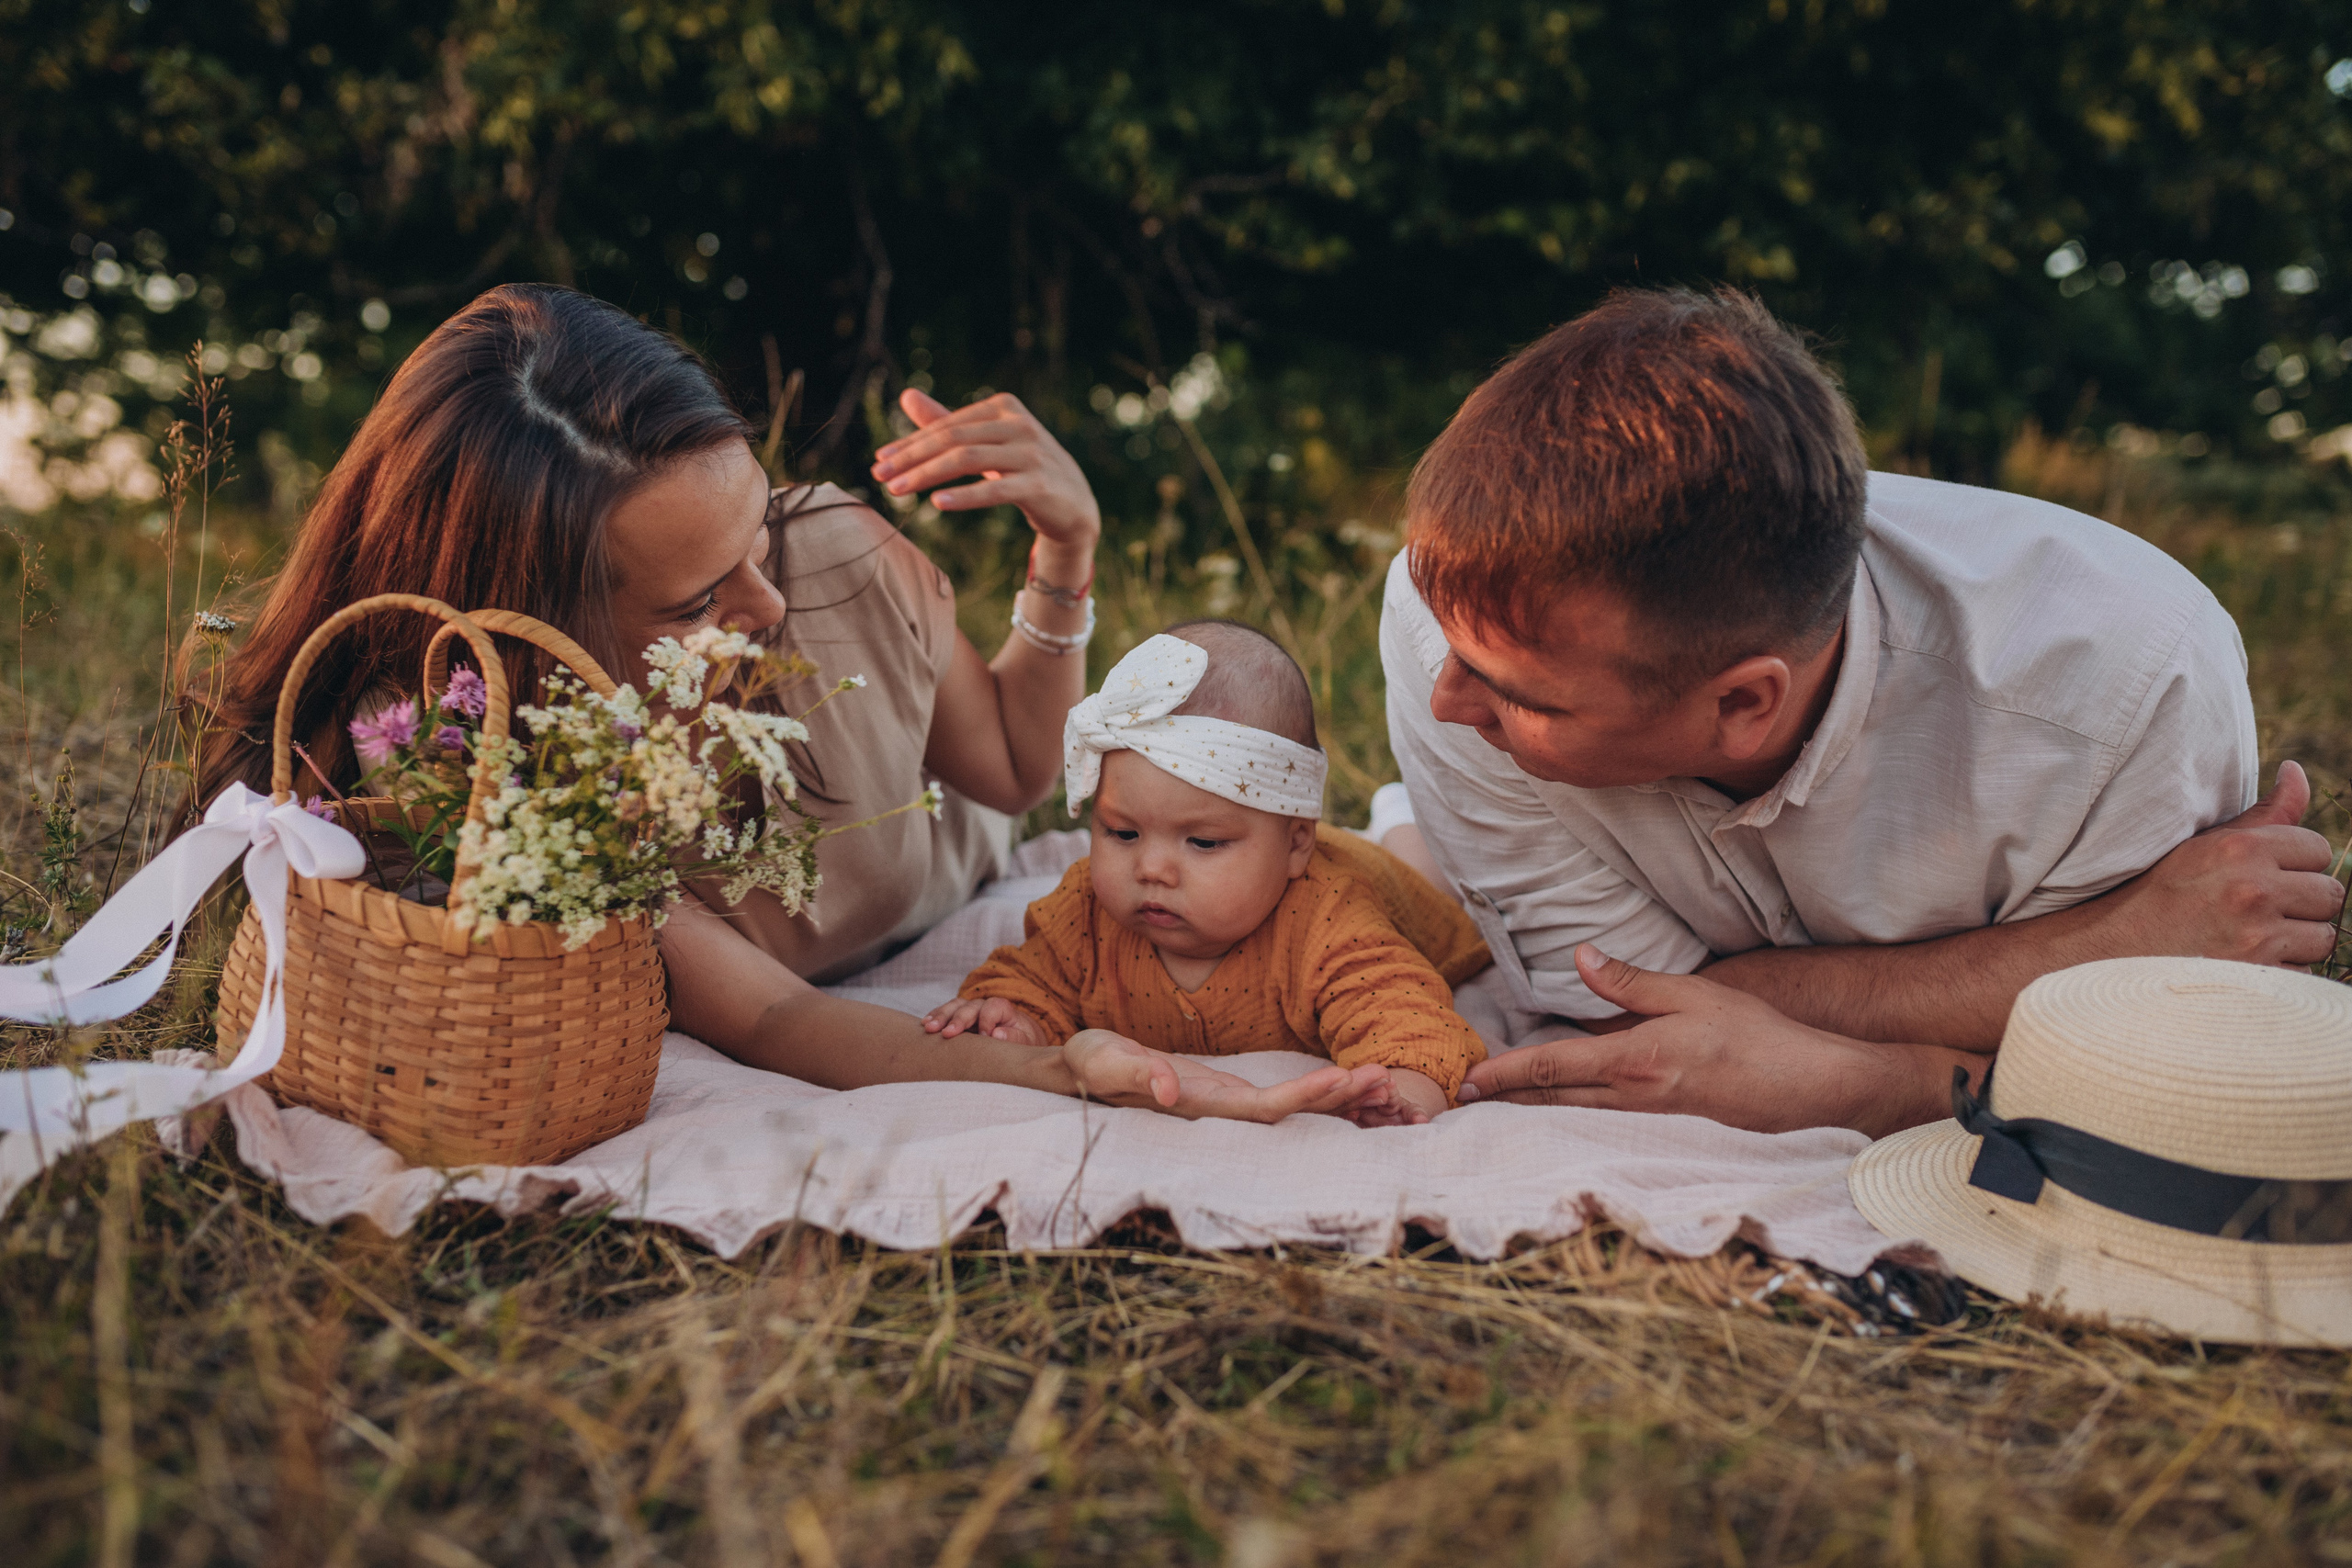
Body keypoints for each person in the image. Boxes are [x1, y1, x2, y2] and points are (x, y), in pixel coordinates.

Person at [197, 282, 1363, 1122]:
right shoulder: (508, 775)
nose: (767, 602)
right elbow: (775, 1024)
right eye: (700, 594)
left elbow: (1013, 769)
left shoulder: (831, 557)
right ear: (539, 631)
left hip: (955, 860)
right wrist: (1073, 1073)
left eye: (756, 529)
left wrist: (1066, 550)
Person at [1378, 287, 2347, 1138]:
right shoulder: (1455, 619)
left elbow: (2138, 1062)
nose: (1448, 701)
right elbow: (1642, 1030)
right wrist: (2093, 953)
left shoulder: (2120, 690)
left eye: (1520, 698)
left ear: (1743, 703)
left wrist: (1790, 1028)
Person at [923, 623, 1494, 1123]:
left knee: (1427, 865)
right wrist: (1010, 1019)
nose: (1150, 868)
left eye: (1202, 842)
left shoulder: (1330, 923)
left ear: (1296, 843)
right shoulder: (1088, 914)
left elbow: (1402, 1012)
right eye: (1122, 833)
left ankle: (1401, 816)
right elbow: (1035, 975)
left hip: (1397, 887)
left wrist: (1402, 1086)